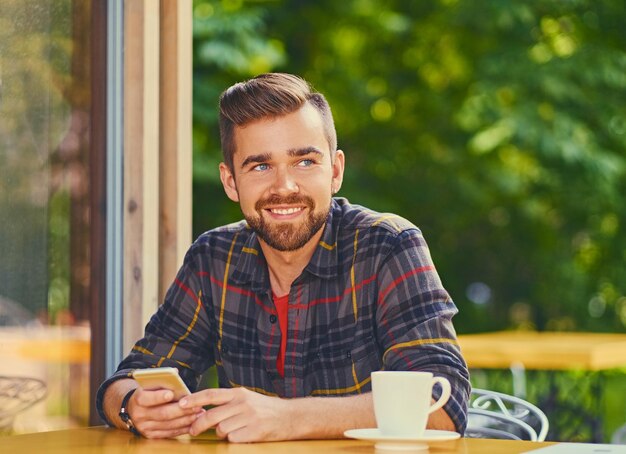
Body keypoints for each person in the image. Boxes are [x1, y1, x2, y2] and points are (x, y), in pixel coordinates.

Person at [96, 73, 470, 442]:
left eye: (304, 162)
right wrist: (134, 405)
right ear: (230, 182)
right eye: (260, 166)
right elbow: (125, 382)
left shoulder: (388, 245)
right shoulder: (213, 258)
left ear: (335, 170)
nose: (284, 187)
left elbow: (443, 406)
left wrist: (289, 418)